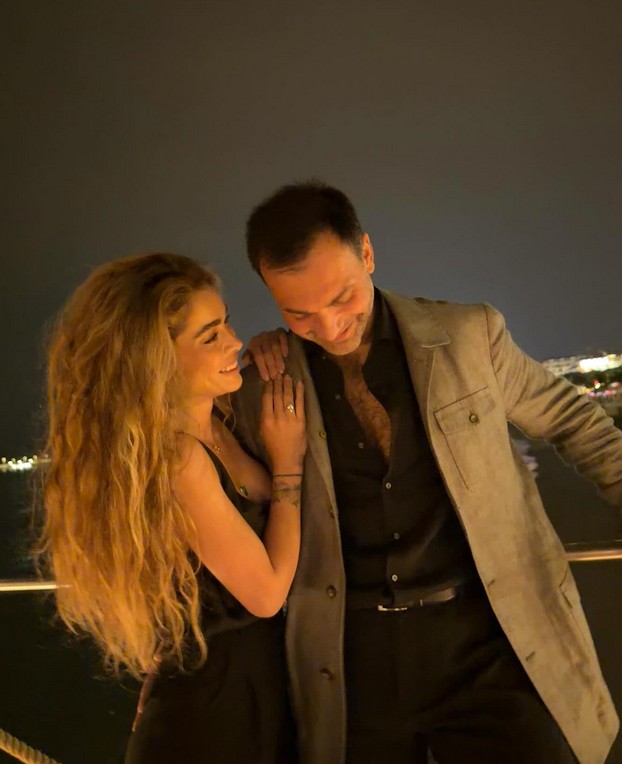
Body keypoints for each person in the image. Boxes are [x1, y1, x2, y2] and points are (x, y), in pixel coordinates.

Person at [232, 181, 622, 764]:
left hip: (490, 640)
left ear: (367, 253)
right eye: (299, 313)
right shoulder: (265, 384)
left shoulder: (468, 337)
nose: (330, 327)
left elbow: (573, 420)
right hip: (348, 662)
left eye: (342, 297)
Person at [37, 252, 306, 763]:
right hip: (211, 719)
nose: (233, 342)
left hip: (246, 695)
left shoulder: (218, 424)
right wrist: (288, 462)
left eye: (226, 323)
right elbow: (267, 594)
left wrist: (274, 346)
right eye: (209, 336)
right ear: (155, 360)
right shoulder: (178, 458)